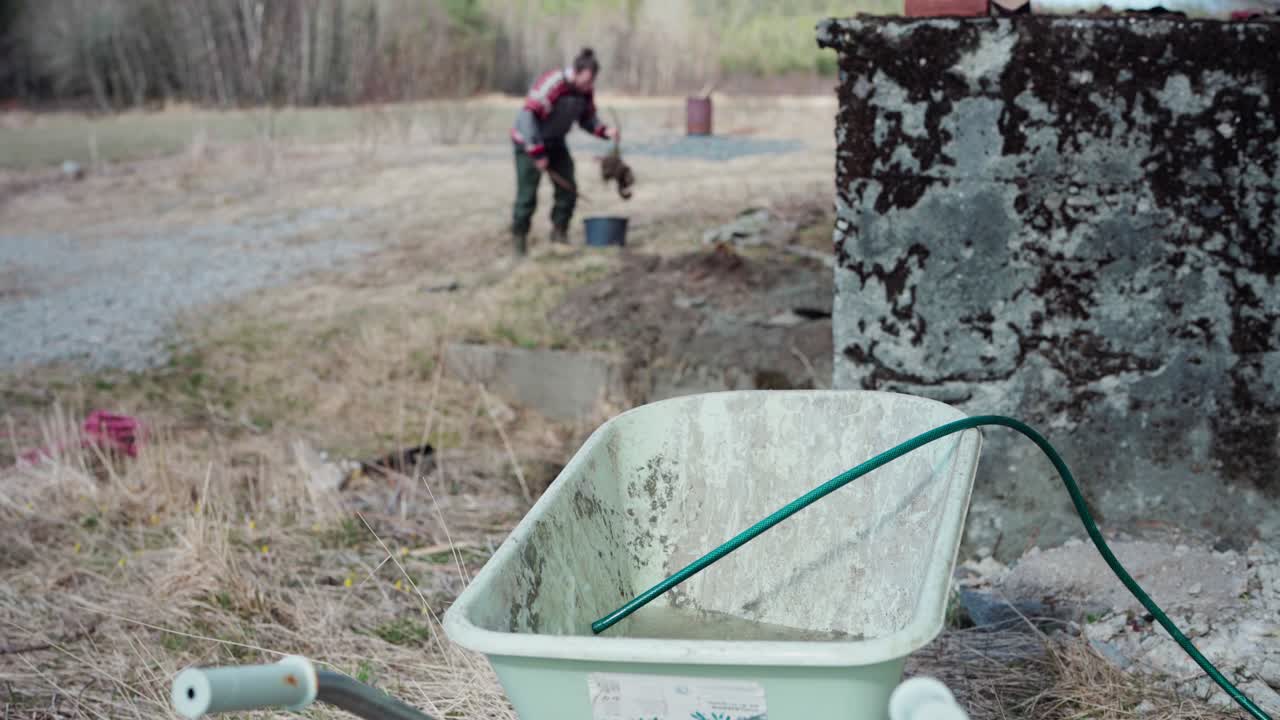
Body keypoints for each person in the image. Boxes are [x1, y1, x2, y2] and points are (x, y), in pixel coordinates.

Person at [509, 47, 619, 256]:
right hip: (528, 143)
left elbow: (587, 119)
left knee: (568, 189)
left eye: (591, 82)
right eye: (586, 81)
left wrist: (605, 131)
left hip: (555, 142)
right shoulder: (553, 84)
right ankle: (519, 240)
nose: (588, 86)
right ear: (575, 73)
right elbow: (527, 117)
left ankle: (559, 233)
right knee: (527, 195)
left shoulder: (584, 92)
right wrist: (538, 153)